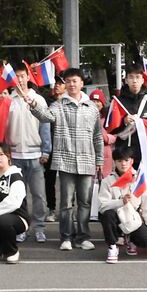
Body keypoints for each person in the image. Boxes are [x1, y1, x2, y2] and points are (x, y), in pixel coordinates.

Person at [31, 67, 104, 251]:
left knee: (85, 202)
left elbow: (97, 136)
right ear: (65, 85)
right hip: (65, 161)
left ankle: (84, 237)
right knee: (66, 203)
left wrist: (100, 160)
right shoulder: (58, 105)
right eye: (68, 81)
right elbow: (45, 116)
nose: (72, 84)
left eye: (75, 81)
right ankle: (66, 237)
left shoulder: (92, 108)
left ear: (81, 83)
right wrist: (33, 104)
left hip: (87, 161)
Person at [4, 68, 52, 243]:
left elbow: (45, 125)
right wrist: (5, 151)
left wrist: (46, 150)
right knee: (18, 196)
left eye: (22, 76)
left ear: (28, 78)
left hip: (35, 154)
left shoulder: (38, 99)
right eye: (16, 76)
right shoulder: (8, 100)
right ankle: (21, 227)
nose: (19, 79)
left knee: (39, 195)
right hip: (15, 155)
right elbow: (3, 127)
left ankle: (39, 227)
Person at [97, 146, 147, 262]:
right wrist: (121, 201)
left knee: (145, 241)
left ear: (131, 161)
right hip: (115, 217)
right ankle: (112, 247)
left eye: (126, 160)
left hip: (132, 217)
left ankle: (131, 239)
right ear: (114, 162)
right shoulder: (108, 181)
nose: (123, 164)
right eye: (119, 161)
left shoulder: (139, 180)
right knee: (107, 214)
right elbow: (102, 205)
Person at [114, 63, 147, 164]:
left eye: (137, 77)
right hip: (124, 154)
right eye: (131, 77)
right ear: (126, 80)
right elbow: (110, 128)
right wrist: (124, 121)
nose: (134, 81)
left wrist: (144, 124)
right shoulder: (117, 102)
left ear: (142, 80)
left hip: (146, 150)